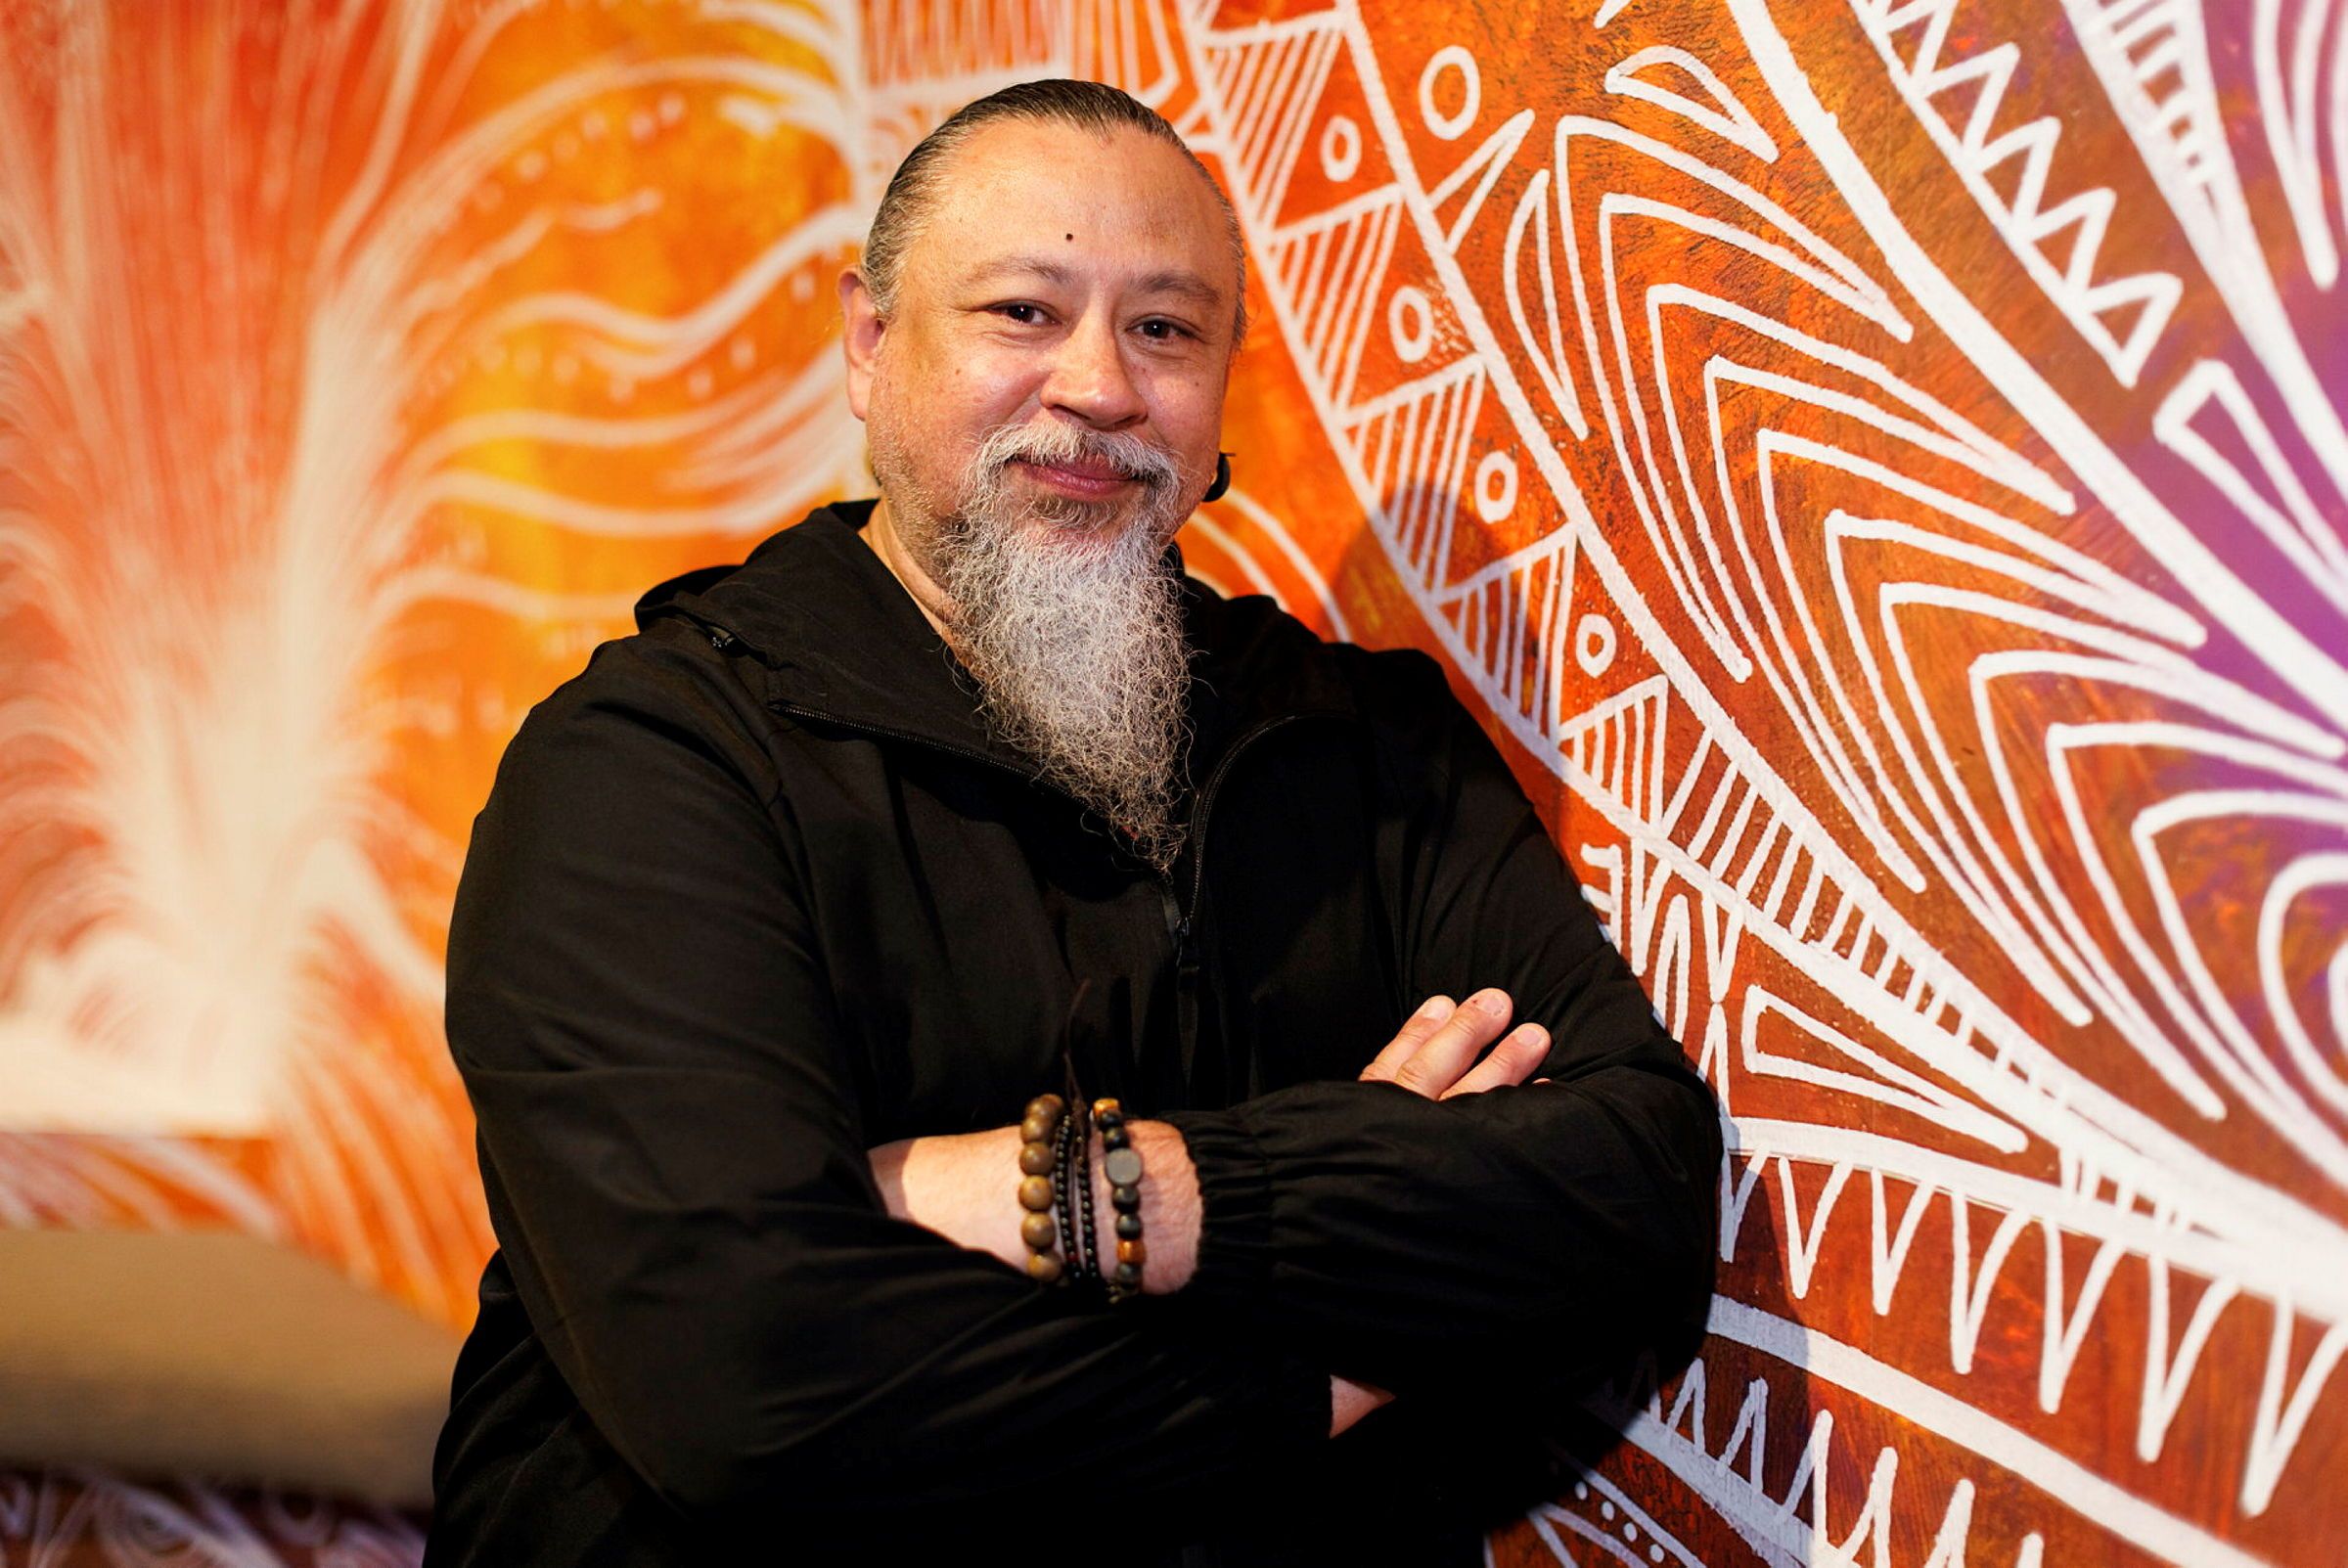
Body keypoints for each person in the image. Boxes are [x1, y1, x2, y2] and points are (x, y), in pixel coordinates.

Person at [425, 79, 1719, 1568]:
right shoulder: (653, 767)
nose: (1100, 387)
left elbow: (1639, 1194)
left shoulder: (1366, 747)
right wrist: (1340, 1354)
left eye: (1164, 329)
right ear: (868, 342)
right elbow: (754, 1390)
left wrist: (1120, 1197)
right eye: (1025, 313)